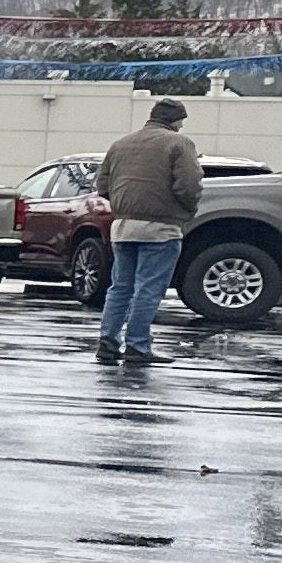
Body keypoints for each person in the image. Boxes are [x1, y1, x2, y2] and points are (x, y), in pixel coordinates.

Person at [95, 96, 202, 369]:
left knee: (120, 287)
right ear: (176, 120)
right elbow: (188, 185)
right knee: (148, 289)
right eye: (181, 120)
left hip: (123, 226)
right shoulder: (180, 144)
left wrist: (123, 206)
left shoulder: (120, 144)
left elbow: (102, 184)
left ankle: (107, 342)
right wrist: (187, 212)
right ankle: (137, 345)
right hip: (161, 228)